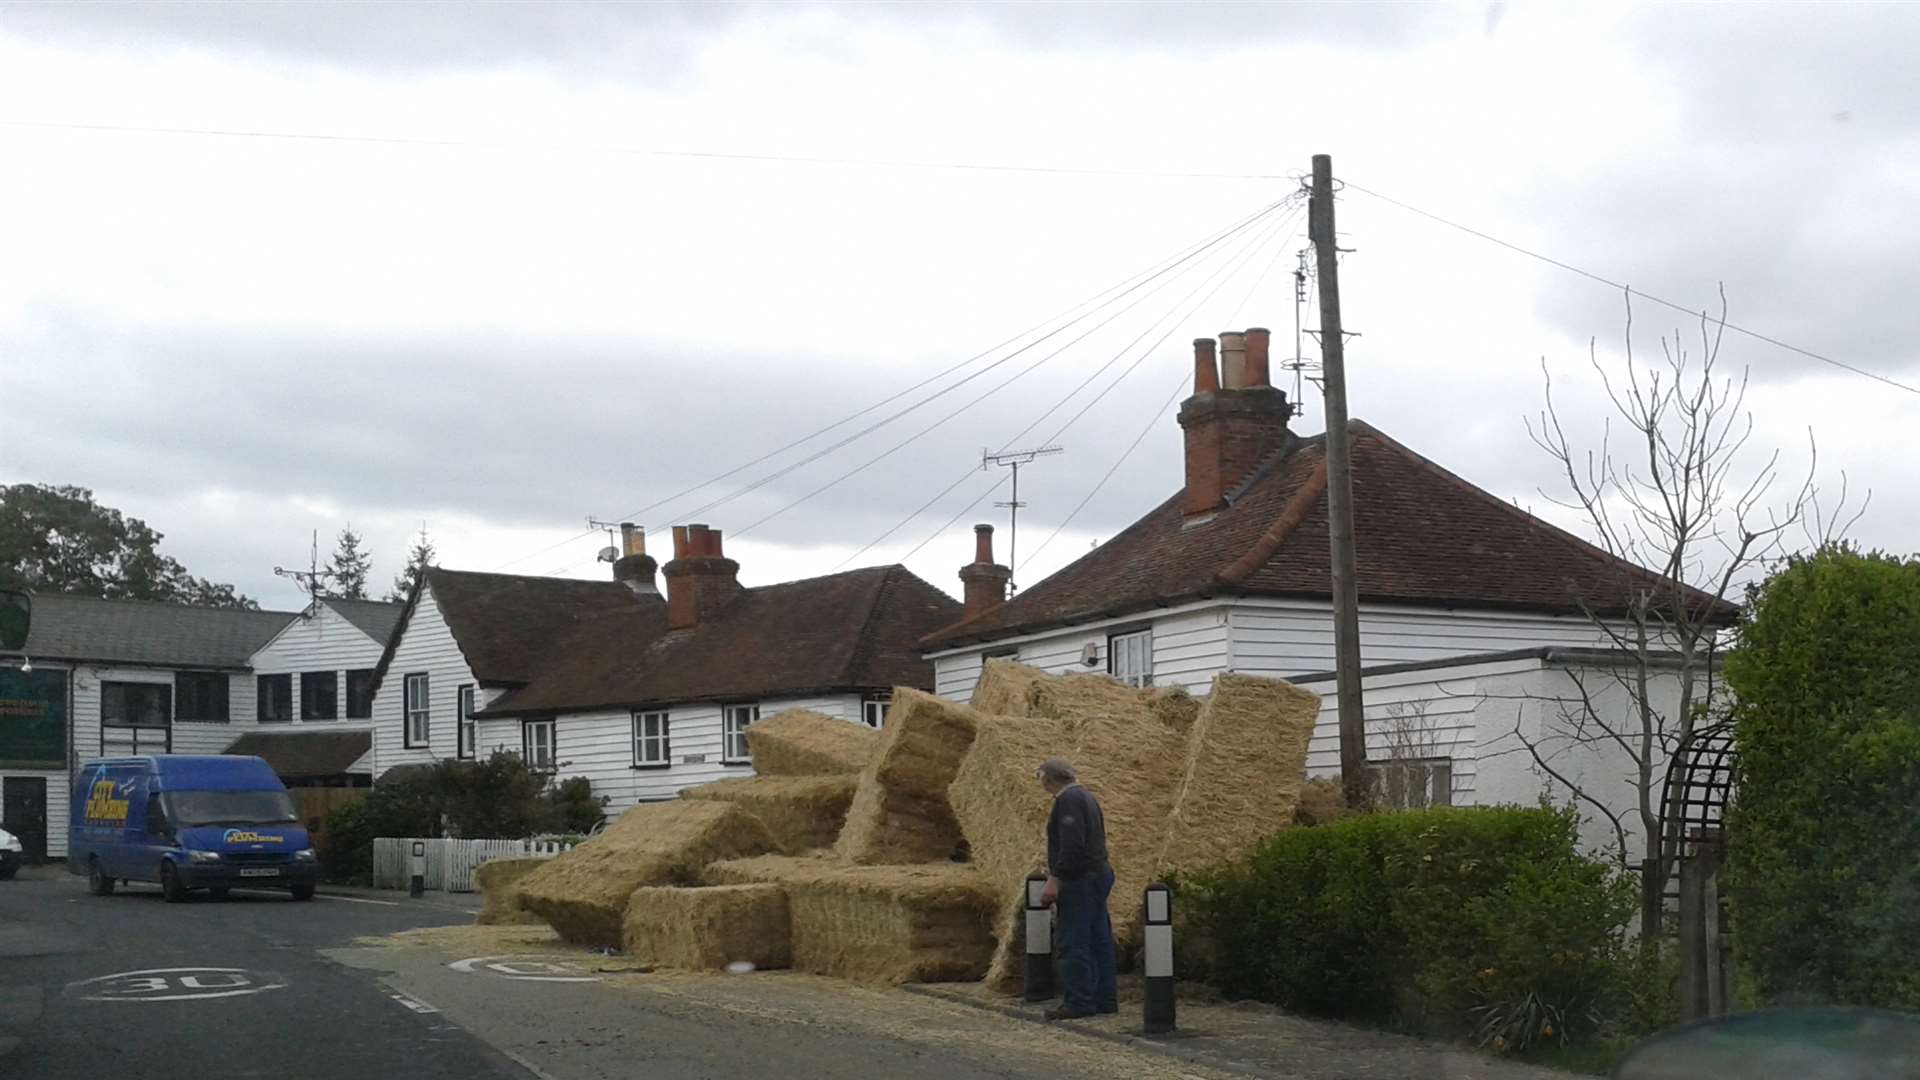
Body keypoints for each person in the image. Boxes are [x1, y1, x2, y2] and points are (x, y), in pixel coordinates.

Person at [1037, 756, 1117, 1020]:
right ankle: (1104, 999)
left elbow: (1072, 846)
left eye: (1040, 778)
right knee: (1098, 939)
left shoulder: (1068, 801)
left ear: (1048, 778)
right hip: (1098, 873)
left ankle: (1079, 1001)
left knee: (1072, 940)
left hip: (1080, 879)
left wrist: (1055, 879)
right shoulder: (1087, 797)